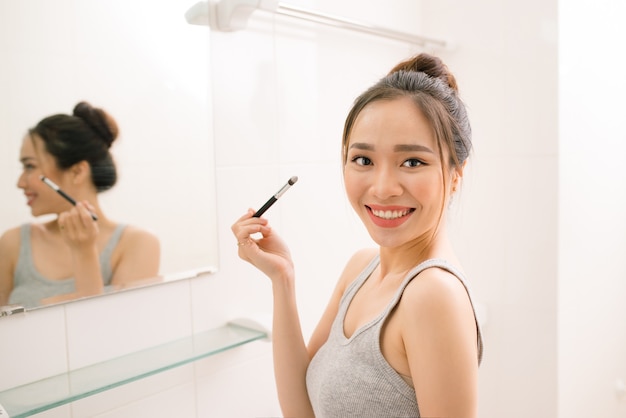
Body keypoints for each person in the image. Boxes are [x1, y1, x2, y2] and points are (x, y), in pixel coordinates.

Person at [231, 53, 483, 417]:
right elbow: (302, 411)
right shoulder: (361, 269)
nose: (382, 189)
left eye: (412, 162)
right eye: (363, 160)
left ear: (455, 174)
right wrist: (282, 279)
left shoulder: (433, 295)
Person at [0, 102, 160, 309]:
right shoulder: (13, 243)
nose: (20, 182)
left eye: (30, 166)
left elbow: (111, 330)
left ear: (77, 172)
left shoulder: (137, 244)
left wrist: (84, 253)